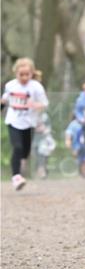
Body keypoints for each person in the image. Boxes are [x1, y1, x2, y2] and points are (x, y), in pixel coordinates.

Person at [2, 57, 49, 190]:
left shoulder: (36, 87)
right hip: (13, 121)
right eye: (20, 74)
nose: (23, 77)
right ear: (15, 73)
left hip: (29, 123)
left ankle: (21, 165)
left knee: (25, 152)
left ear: (32, 73)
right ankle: (16, 176)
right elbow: (5, 99)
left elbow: (44, 104)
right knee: (17, 147)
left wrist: (34, 104)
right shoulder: (10, 85)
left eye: (26, 74)